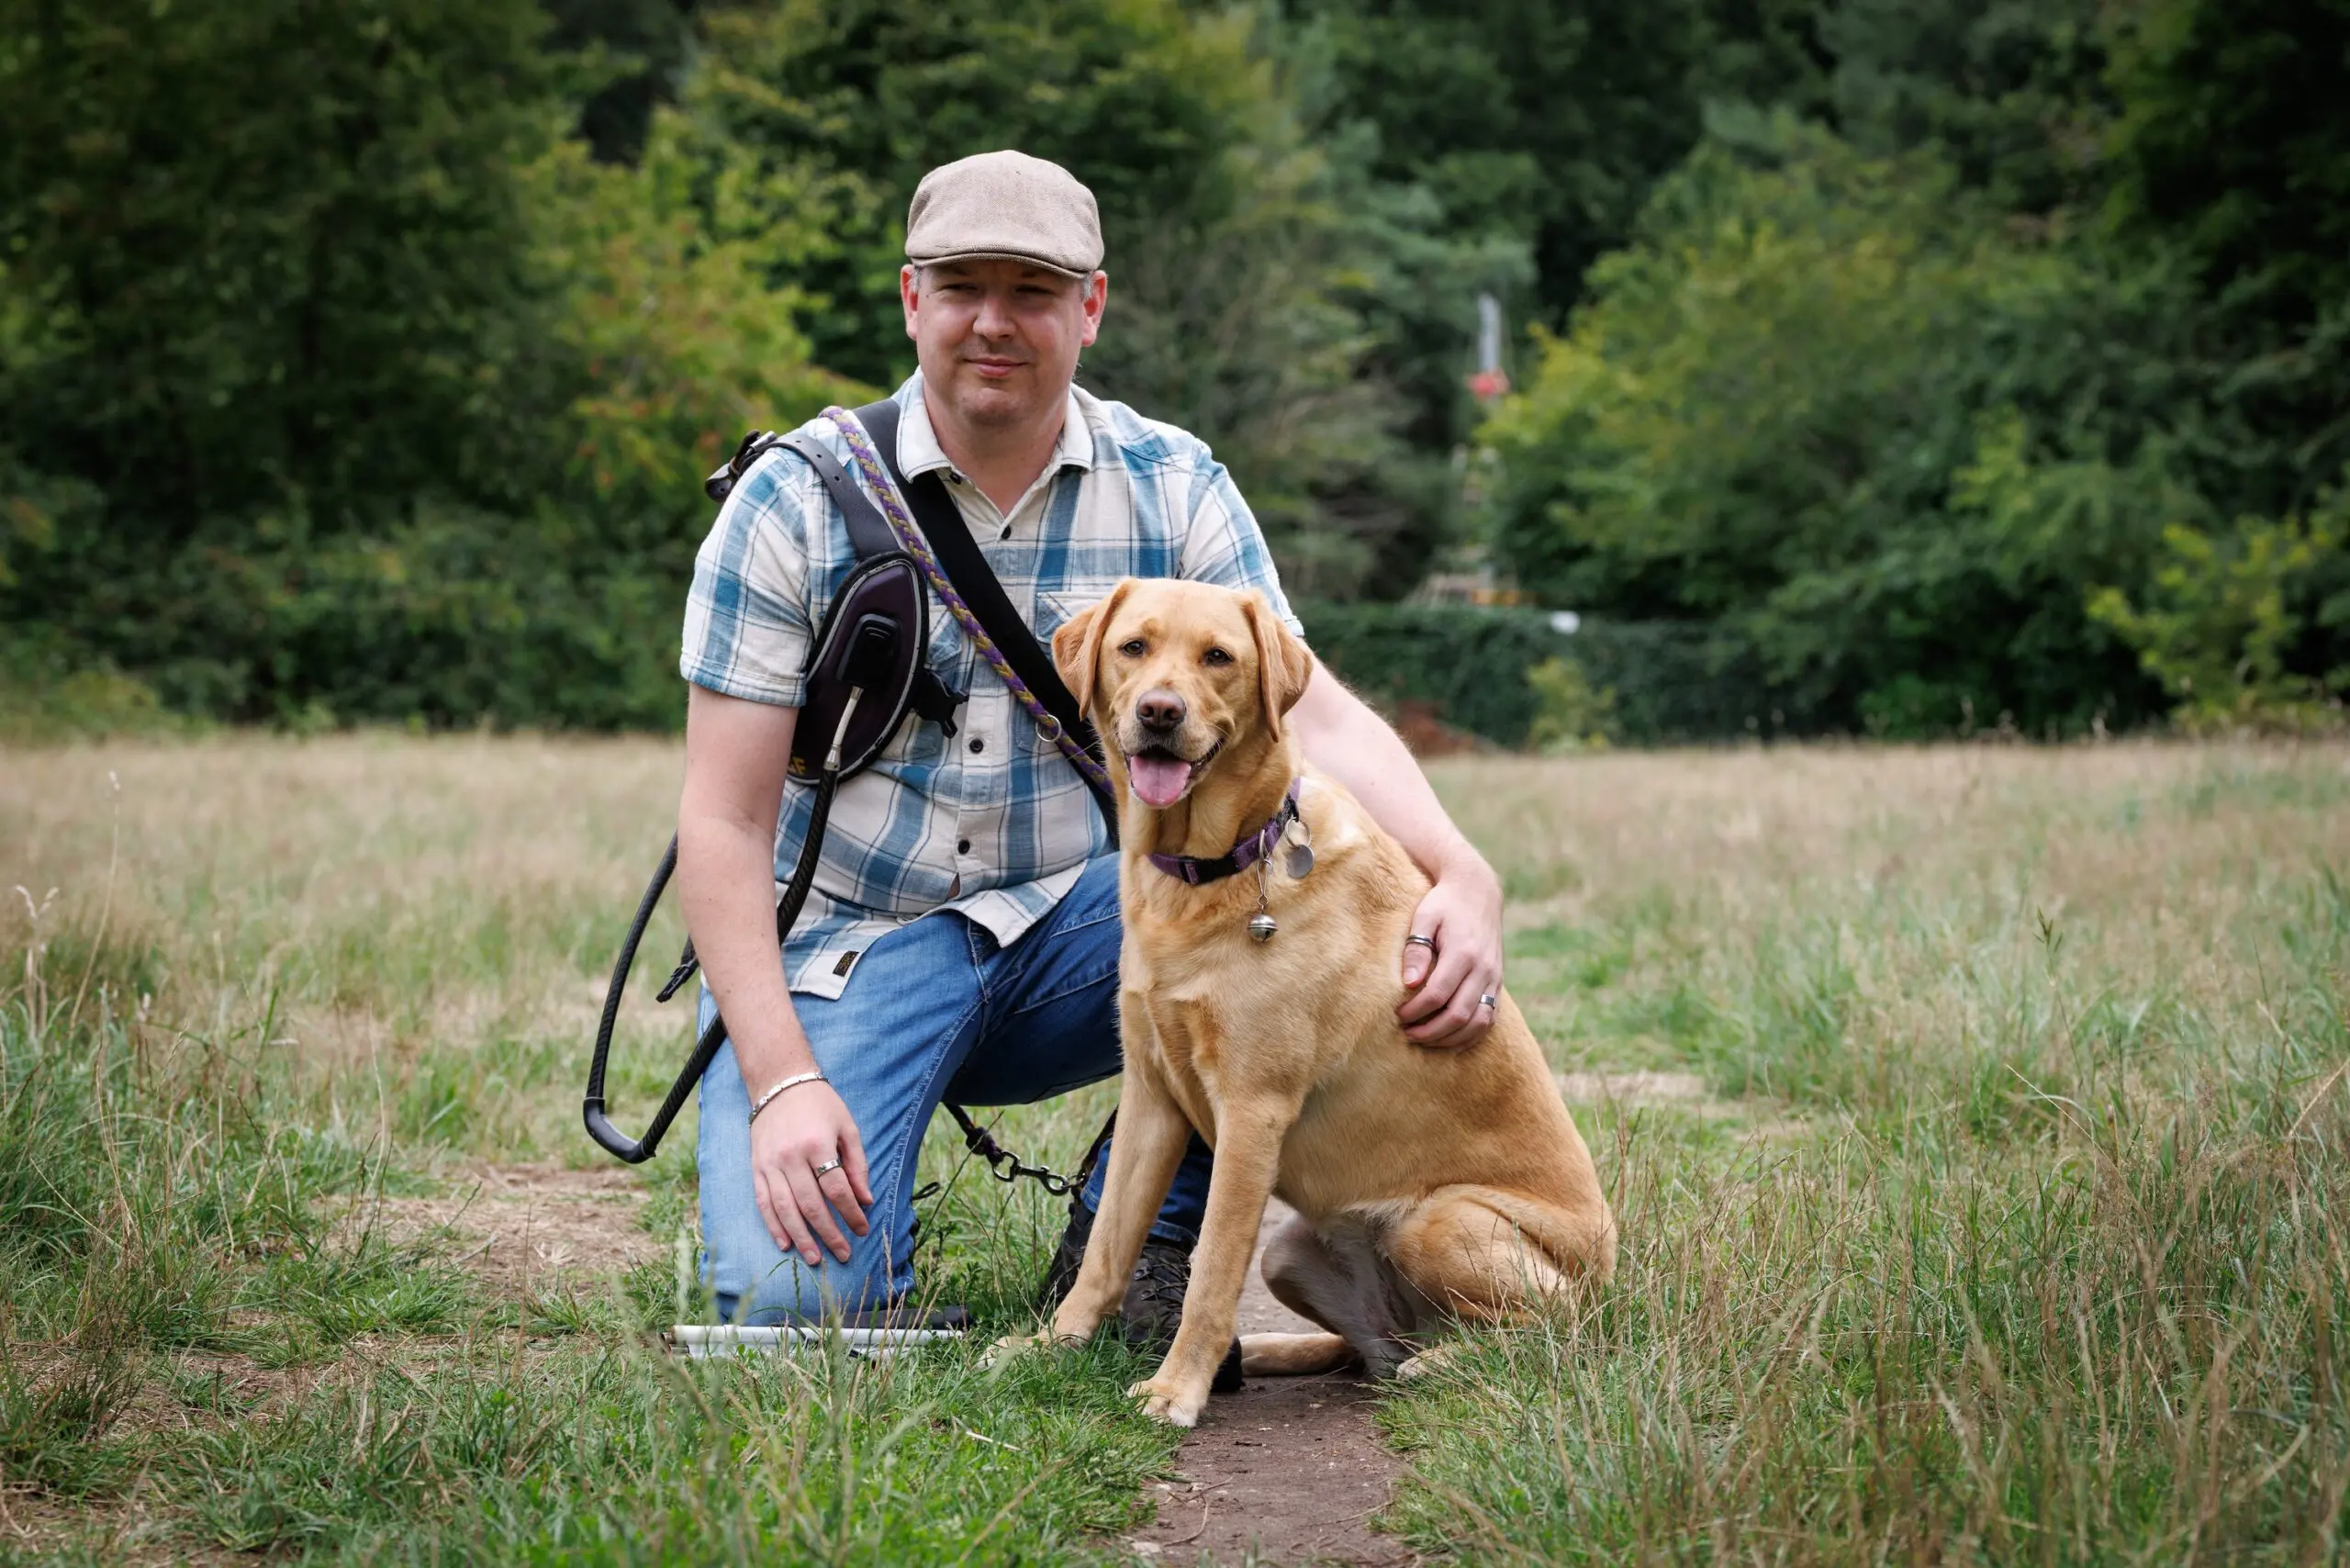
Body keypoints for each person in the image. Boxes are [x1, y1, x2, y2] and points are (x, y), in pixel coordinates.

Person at [677, 149, 1505, 1338]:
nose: (993, 322)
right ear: (912, 299)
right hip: (850, 954)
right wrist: (783, 1079)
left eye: (1034, 290)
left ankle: (1141, 1227)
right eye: (963, 285)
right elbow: (723, 821)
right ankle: (852, 1140)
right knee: (796, 1315)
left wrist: (1460, 875)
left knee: (1327, 888)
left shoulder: (1174, 485)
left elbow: (1307, 713)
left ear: (1092, 307)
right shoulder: (794, 499)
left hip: (1093, 922)